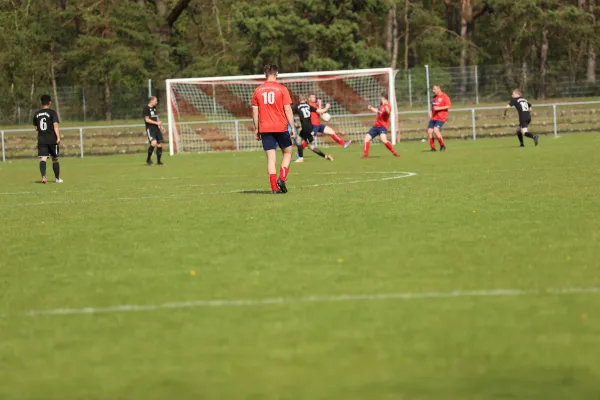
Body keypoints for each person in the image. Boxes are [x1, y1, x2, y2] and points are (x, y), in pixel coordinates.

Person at [252, 64, 297, 194]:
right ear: (276, 73)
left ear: (264, 73)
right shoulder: (282, 89)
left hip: (265, 128)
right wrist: (292, 127)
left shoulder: (258, 90)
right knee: (288, 153)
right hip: (281, 126)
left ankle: (274, 188)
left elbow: (255, 111)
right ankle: (282, 179)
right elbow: (287, 109)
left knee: (271, 158)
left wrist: (257, 128)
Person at [293, 94, 334, 163]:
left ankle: (325, 156)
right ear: (305, 100)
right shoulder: (308, 106)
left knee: (310, 146)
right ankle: (301, 158)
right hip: (309, 127)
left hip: (306, 128)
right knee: (298, 141)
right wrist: (326, 108)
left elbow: (289, 114)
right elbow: (320, 111)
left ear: (299, 100)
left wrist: (296, 124)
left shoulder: (297, 106)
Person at [33, 95, 62, 184]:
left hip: (42, 139)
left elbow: (36, 127)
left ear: (41, 103)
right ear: (50, 102)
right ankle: (57, 179)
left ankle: (44, 177)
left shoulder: (37, 114)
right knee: (55, 159)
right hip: (52, 139)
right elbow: (55, 125)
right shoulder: (52, 113)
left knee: (43, 159)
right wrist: (58, 137)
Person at [362, 92, 399, 158]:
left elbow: (388, 112)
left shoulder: (388, 106)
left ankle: (394, 152)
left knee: (384, 140)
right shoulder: (381, 106)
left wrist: (385, 105)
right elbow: (378, 111)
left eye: (382, 99)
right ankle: (365, 155)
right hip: (376, 127)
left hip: (382, 127)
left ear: (385, 99)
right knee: (366, 138)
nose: (381, 100)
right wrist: (371, 108)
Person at [428, 84, 451, 152]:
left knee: (436, 130)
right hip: (434, 117)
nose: (433, 91)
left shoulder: (444, 96)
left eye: (434, 89)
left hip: (441, 117)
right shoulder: (434, 97)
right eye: (433, 89)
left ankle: (442, 146)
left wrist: (439, 108)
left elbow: (448, 106)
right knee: (429, 131)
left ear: (439, 89)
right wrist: (430, 114)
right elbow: (433, 107)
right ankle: (433, 148)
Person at [144, 96, 166, 165]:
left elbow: (157, 117)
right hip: (150, 129)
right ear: (151, 101)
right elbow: (147, 119)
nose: (156, 102)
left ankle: (158, 161)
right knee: (153, 143)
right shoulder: (146, 108)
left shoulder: (154, 108)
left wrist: (161, 126)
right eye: (155, 101)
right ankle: (148, 160)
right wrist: (156, 123)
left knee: (160, 144)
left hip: (157, 128)